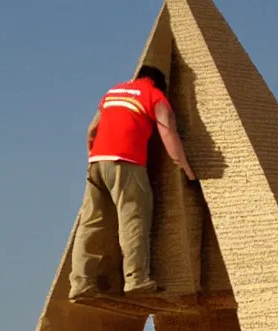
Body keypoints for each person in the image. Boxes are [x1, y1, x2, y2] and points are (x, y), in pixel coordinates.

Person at [69, 65, 197, 301]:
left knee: (91, 223)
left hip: (97, 163)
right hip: (126, 162)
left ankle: (80, 283)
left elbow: (91, 130)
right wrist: (185, 167)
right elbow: (169, 134)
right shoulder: (155, 95)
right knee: (134, 217)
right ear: (160, 84)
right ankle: (136, 279)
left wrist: (94, 155)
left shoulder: (113, 92)